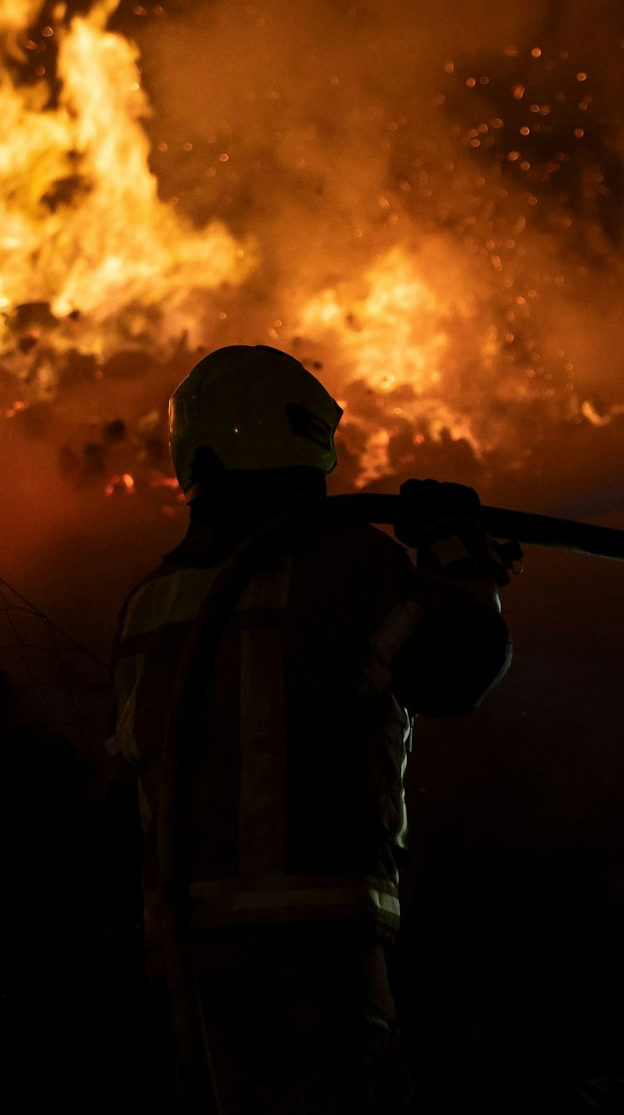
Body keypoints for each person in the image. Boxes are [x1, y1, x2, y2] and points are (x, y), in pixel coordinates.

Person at [111, 344, 512, 1113]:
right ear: (300, 437)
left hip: (187, 964)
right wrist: (460, 561)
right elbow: (457, 669)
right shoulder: (342, 563)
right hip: (317, 953)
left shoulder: (147, 602)